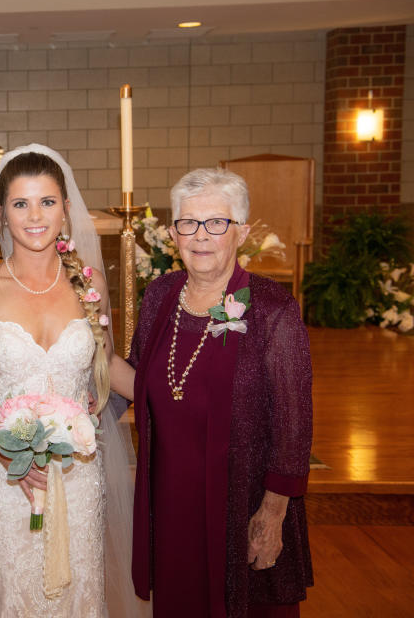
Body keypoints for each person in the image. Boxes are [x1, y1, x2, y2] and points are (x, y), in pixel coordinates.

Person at [0, 144, 149, 617]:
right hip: (4, 480)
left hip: (77, 474)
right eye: (20, 203)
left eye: (47, 202)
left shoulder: (88, 285)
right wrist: (0, 448)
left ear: (66, 209)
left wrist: (168, 401)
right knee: (9, 595)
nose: (35, 216)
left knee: (77, 594)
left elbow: (108, 363)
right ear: (1, 215)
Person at [128, 168, 314, 617]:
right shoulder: (159, 295)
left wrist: (272, 515)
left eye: (217, 223)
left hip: (243, 501)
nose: (201, 235)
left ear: (242, 232)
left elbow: (294, 425)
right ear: (173, 233)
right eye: (188, 223)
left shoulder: (273, 308)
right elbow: (136, 377)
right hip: (172, 500)